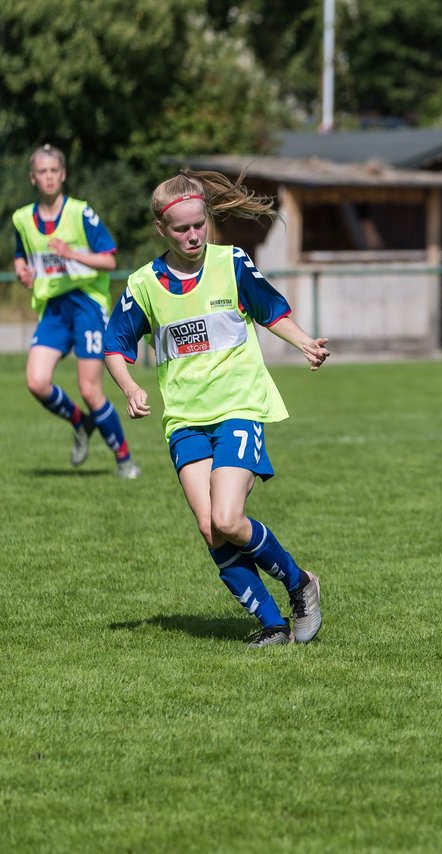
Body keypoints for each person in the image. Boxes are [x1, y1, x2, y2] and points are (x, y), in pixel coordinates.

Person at [103, 171, 329, 648]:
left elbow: (270, 310)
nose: (193, 235)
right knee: (211, 529)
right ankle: (272, 626)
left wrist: (305, 342)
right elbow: (116, 345)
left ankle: (299, 583)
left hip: (239, 406)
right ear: (162, 230)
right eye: (182, 228)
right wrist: (128, 385)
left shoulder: (232, 263)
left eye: (200, 224)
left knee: (229, 519)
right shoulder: (143, 283)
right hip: (185, 420)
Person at [12, 144, 140, 477]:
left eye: (54, 170)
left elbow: (109, 260)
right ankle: (80, 422)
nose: (49, 176)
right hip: (54, 307)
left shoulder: (81, 213)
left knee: (89, 389)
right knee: (37, 382)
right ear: (33, 177)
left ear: (63, 174)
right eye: (42, 171)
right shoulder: (22, 218)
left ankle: (124, 459)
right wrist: (23, 271)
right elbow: (21, 255)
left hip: (86, 303)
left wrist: (72, 254)